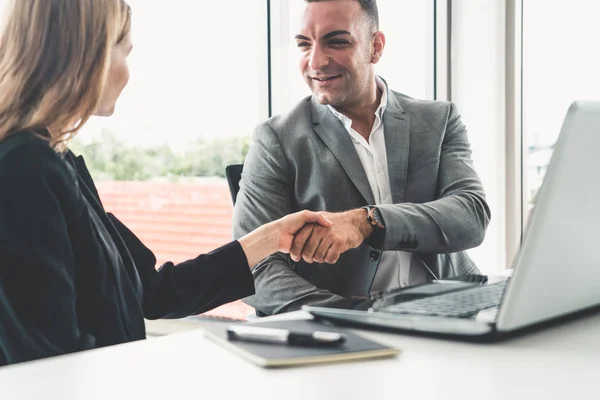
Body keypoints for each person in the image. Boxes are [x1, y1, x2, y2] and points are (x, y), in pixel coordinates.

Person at [0, 0, 332, 366]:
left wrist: (269, 239)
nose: (127, 73)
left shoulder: (56, 161)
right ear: (85, 52)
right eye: (123, 51)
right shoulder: (24, 168)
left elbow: (153, 291)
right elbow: (48, 362)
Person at [233, 0, 491, 315]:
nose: (316, 61)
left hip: (452, 313)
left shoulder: (438, 120)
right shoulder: (276, 139)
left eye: (336, 42)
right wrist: (353, 317)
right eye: (304, 44)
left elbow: (471, 216)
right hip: (348, 331)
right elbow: (254, 268)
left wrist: (367, 222)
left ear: (375, 47)